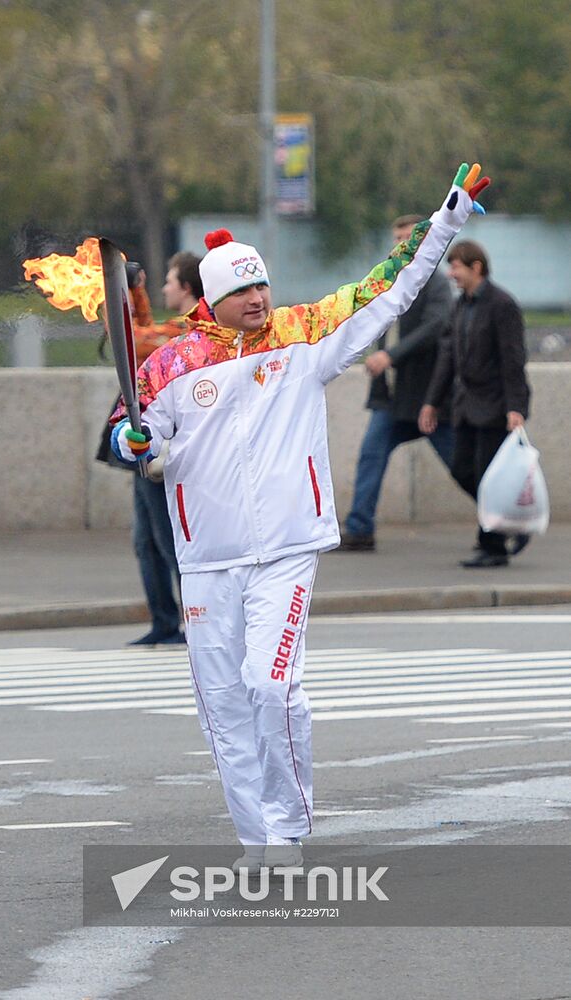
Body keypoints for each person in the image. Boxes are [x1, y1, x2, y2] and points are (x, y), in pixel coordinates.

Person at [110, 164, 489, 868]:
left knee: (272, 686)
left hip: (285, 547)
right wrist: (134, 440)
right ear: (213, 301)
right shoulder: (169, 366)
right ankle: (257, 842)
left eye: (262, 285)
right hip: (206, 559)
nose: (258, 298)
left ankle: (287, 828)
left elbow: (388, 287)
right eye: (243, 290)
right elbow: (132, 435)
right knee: (223, 709)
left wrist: (450, 218)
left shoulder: (305, 336)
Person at [96, 252, 203, 645]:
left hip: (165, 445)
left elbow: (135, 342)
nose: (164, 288)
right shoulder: (173, 326)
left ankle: (196, 621)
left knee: (167, 539)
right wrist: (134, 292)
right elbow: (141, 328)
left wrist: (111, 295)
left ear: (187, 288)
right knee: (146, 540)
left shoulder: (192, 330)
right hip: (147, 444)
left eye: (169, 281)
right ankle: (164, 622)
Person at [340, 214, 454, 551]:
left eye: (408, 236)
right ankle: (360, 529)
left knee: (461, 465)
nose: (401, 244)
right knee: (371, 455)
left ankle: (504, 520)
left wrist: (391, 357)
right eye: (397, 238)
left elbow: (435, 327)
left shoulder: (435, 283)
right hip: (391, 397)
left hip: (426, 398)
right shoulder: (391, 281)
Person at [419, 239, 530, 567]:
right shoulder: (461, 306)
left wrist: (516, 408)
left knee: (488, 475)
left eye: (456, 267)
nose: (451, 274)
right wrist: (431, 403)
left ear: (476, 267)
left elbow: (513, 360)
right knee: (462, 469)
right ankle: (510, 523)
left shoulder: (502, 304)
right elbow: (447, 359)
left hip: (496, 407)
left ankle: (493, 547)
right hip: (466, 406)